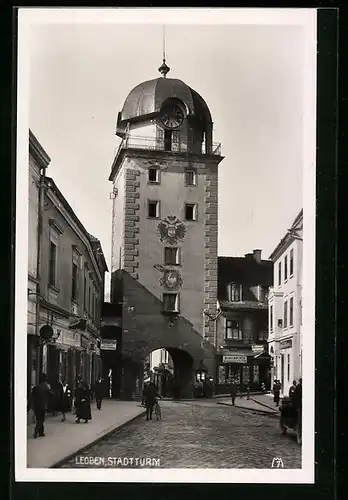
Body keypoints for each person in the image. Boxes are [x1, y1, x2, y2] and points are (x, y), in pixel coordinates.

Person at [31, 373, 54, 438]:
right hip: (43, 406)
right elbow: (52, 394)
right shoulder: (46, 387)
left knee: (39, 419)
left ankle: (41, 432)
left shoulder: (36, 387)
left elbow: (33, 396)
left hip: (36, 405)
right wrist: (49, 388)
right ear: (45, 381)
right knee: (41, 420)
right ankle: (36, 432)